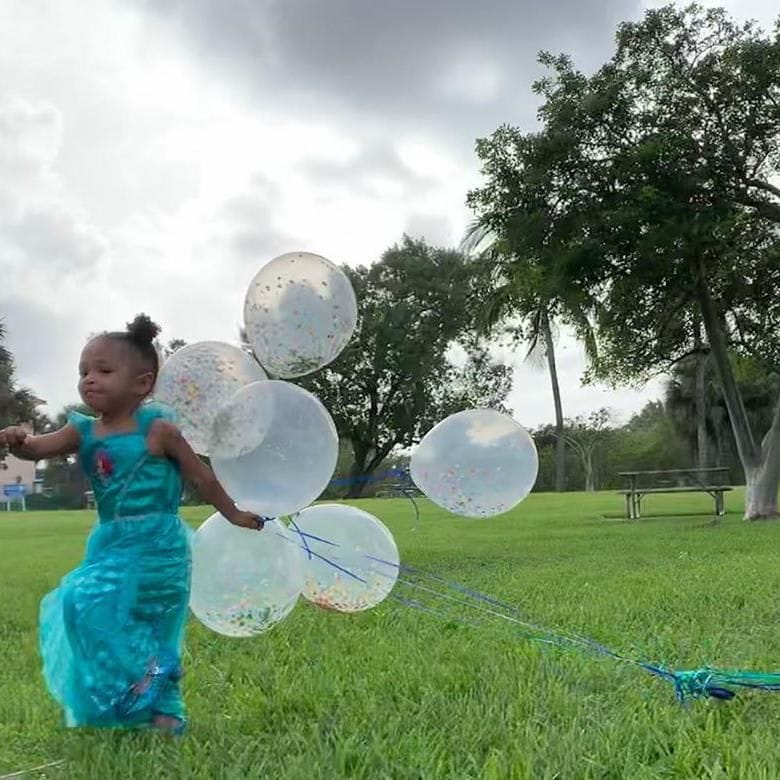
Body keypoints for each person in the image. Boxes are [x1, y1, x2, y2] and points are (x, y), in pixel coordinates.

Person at [0, 314, 264, 734]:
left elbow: (202, 477)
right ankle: (157, 683)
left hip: (159, 544)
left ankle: (165, 711)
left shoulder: (159, 431)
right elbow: (36, 450)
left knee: (152, 619)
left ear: (142, 383)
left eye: (104, 371)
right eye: (84, 372)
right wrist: (19, 441)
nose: (89, 379)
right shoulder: (82, 430)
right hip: (110, 542)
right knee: (82, 605)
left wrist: (233, 513)